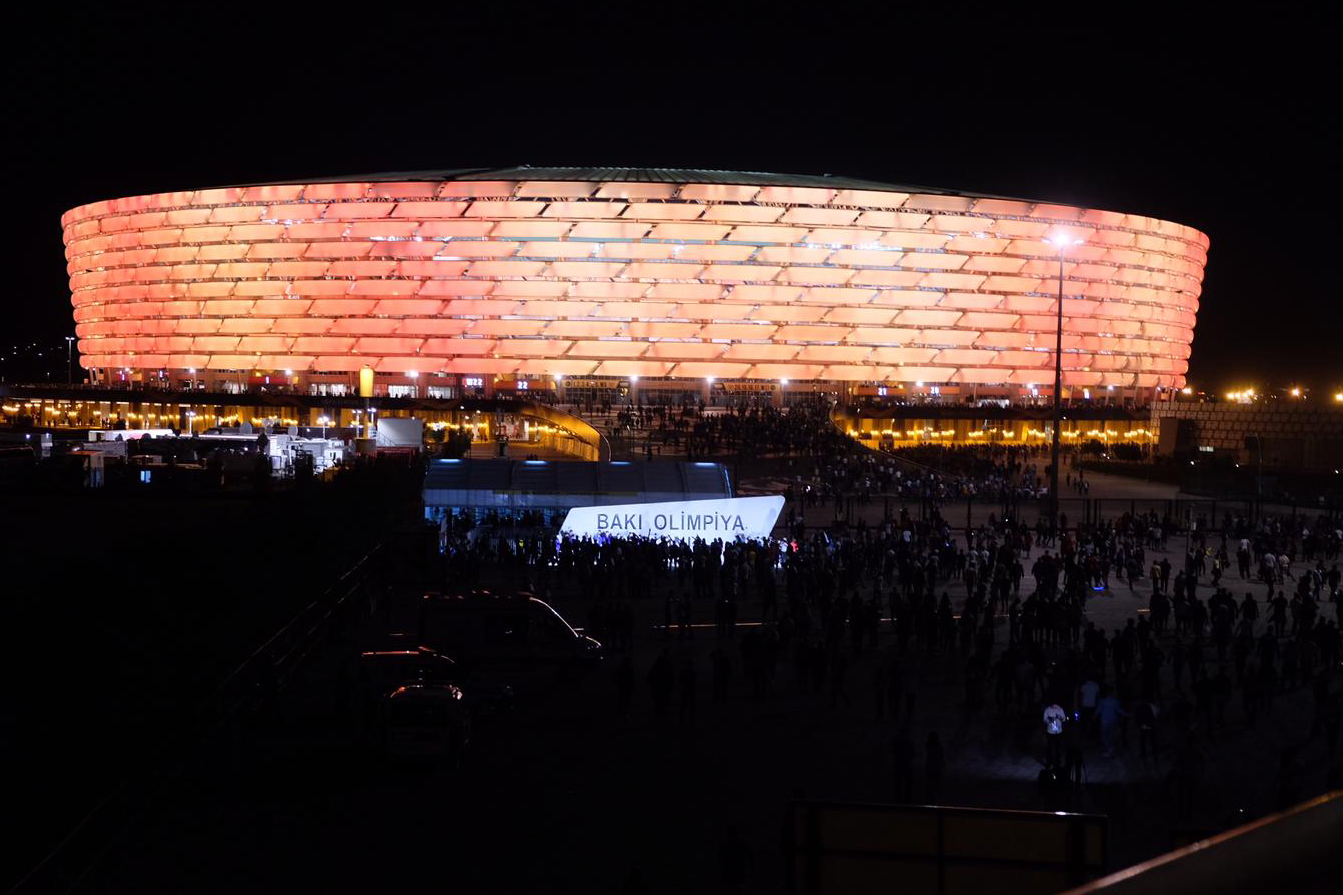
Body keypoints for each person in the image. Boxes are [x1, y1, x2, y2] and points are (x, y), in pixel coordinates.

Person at [1043, 702, 1067, 767]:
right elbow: (1044, 719)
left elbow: (1064, 719)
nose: (1055, 706)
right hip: (1050, 731)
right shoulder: (1047, 709)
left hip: (1058, 732)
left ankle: (1057, 762)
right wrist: (1049, 720)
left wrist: (1059, 717)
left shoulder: (1060, 709)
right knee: (1049, 748)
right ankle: (1049, 762)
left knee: (1058, 748)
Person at [925, 732, 945, 803]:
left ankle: (933, 799)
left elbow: (941, 756)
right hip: (934, 767)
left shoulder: (930, 746)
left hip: (934, 767)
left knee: (933, 784)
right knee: (934, 784)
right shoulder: (934, 746)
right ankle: (934, 798)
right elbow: (941, 757)